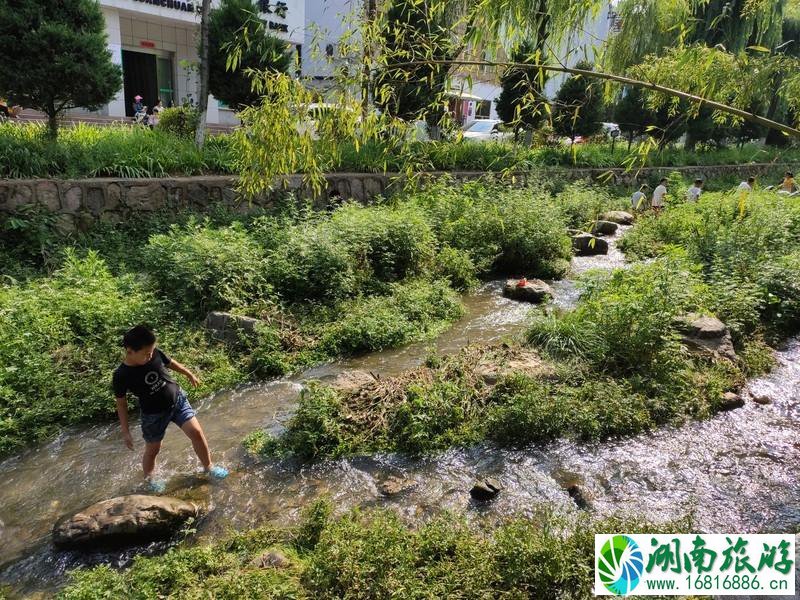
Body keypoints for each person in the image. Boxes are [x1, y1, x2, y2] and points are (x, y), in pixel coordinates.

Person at [113, 325, 228, 491]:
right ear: (130, 351)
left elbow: (170, 363)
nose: (150, 355)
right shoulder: (121, 375)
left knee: (196, 433)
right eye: (146, 354)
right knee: (153, 450)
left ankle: (208, 467)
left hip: (177, 401)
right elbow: (121, 403)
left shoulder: (154, 353)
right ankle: (150, 479)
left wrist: (188, 373)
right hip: (153, 415)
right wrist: (125, 431)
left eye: (151, 351)